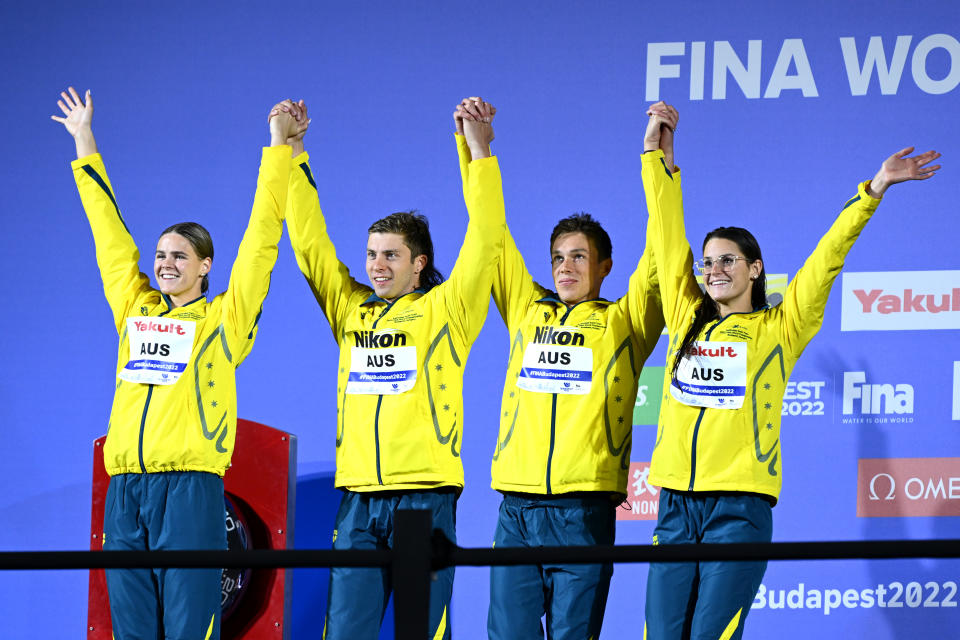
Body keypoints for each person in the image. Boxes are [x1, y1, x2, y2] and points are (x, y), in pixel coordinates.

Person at [639, 100, 941, 640]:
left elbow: (827, 258)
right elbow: (665, 238)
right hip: (673, 508)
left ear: (755, 269)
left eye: (728, 260)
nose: (715, 270)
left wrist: (872, 191)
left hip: (740, 510)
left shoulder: (782, 326)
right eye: (708, 262)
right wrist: (656, 158)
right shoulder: (686, 317)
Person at [52, 87, 301, 639]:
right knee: (132, 630)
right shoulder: (135, 310)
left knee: (190, 630)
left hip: (190, 491)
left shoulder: (223, 322)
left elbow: (261, 243)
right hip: (126, 493)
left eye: (179, 256)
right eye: (161, 255)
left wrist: (277, 150)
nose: (164, 264)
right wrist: (84, 142)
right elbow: (110, 240)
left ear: (206, 266)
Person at [279, 97, 505, 639]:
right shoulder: (350, 307)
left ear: (419, 262)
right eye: (372, 254)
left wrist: (478, 150)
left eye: (391, 256)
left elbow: (487, 236)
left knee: (420, 633)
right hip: (357, 497)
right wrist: (293, 150)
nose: (376, 266)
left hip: (423, 495)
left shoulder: (447, 309)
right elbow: (310, 245)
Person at [455, 97, 664, 639]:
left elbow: (663, 250)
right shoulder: (526, 309)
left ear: (604, 266)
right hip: (517, 508)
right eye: (557, 258)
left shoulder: (625, 322)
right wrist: (476, 149)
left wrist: (655, 160)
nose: (565, 267)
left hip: (583, 509)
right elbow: (490, 236)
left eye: (578, 256)